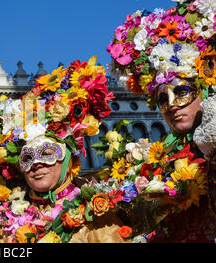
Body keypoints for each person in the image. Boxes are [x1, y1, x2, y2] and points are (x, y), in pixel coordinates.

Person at [0, 56, 137, 243]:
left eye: (47, 154)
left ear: (69, 161)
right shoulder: (1, 223)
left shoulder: (98, 219)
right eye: (27, 157)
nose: (36, 164)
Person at [106, 0, 215, 242]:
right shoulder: (158, 162)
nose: (172, 105)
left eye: (182, 92)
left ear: (204, 90)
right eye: (162, 98)